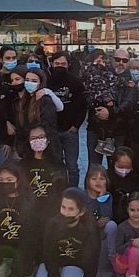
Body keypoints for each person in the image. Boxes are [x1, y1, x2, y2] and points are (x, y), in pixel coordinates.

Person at [35, 188, 111, 277]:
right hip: (53, 261)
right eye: (63, 207)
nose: (65, 213)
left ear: (81, 211)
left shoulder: (90, 227)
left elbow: (92, 259)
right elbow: (48, 253)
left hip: (75, 264)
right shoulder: (53, 224)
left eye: (71, 209)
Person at [48, 51, 87, 187]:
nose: (60, 66)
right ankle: (58, 192)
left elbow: (83, 106)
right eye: (57, 63)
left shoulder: (76, 82)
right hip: (52, 131)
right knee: (56, 165)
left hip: (70, 131)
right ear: (52, 64)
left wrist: (76, 126)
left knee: (72, 166)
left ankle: (74, 191)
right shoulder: (46, 81)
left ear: (68, 65)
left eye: (63, 64)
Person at [82, 50, 123, 164]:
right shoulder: (88, 72)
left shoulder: (111, 72)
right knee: (94, 164)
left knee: (114, 164)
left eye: (102, 59)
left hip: (113, 119)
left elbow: (116, 83)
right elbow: (86, 91)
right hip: (95, 116)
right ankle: (102, 141)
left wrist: (110, 106)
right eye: (97, 60)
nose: (100, 62)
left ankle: (107, 140)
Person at [19, 123, 68, 215]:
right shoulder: (23, 164)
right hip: (29, 212)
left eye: (41, 137)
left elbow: (62, 190)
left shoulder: (57, 164)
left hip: (52, 212)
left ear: (48, 139)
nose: (37, 140)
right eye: (33, 138)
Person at [83, 165, 117, 266]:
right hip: (87, 230)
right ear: (88, 180)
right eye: (94, 179)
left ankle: (113, 258)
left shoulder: (108, 196)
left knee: (112, 225)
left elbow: (107, 216)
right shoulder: (82, 196)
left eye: (101, 179)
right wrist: (94, 224)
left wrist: (102, 198)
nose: (98, 182)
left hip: (101, 229)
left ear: (106, 181)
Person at [108, 147, 139, 224]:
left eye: (128, 167)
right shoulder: (107, 178)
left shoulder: (137, 178)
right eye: (120, 167)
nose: (124, 171)